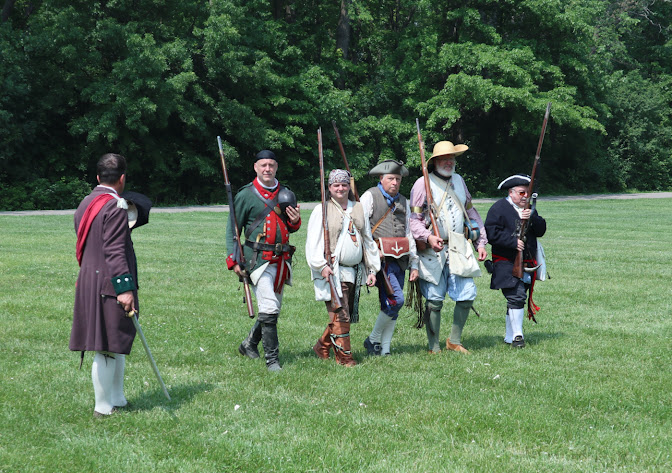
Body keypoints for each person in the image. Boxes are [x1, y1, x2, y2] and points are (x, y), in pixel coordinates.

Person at [70, 153, 147, 417]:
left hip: (90, 279)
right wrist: (124, 289)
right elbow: (115, 251)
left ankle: (117, 398)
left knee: (116, 341)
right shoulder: (115, 207)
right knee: (105, 345)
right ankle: (102, 406)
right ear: (122, 178)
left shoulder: (86, 202)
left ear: (98, 176)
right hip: (109, 283)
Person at [226, 150, 301, 372]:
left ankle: (249, 344)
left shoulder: (286, 192)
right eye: (263, 165)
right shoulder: (245, 195)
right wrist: (234, 260)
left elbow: (291, 226)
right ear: (256, 167)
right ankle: (272, 361)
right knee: (269, 308)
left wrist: (295, 221)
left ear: (276, 167)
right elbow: (233, 230)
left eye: (271, 165)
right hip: (257, 260)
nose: (267, 169)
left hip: (281, 260)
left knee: (272, 309)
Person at [409, 141, 488, 354]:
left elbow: (471, 213)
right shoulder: (422, 183)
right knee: (434, 300)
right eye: (444, 159)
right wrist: (428, 236)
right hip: (432, 251)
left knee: (467, 295)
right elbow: (414, 220)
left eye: (451, 158)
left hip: (459, 247)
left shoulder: (459, 181)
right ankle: (434, 346)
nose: (448, 162)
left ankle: (454, 340)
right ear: (434, 162)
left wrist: (480, 241)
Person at [306, 169, 380, 366]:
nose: (340, 188)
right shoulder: (321, 210)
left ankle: (322, 346)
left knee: (342, 314)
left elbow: (367, 239)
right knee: (341, 315)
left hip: (354, 271)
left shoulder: (359, 208)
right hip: (332, 271)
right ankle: (345, 358)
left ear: (349, 186)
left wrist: (372, 269)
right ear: (329, 188)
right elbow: (313, 242)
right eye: (336, 185)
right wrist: (321, 266)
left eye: (344, 184)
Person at [360, 160, 419, 356]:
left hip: (400, 260)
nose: (395, 183)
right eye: (391, 178)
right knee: (396, 300)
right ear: (381, 178)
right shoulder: (370, 196)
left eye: (398, 179)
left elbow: (409, 233)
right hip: (380, 260)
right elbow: (363, 230)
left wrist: (414, 264)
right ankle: (373, 338)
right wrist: (372, 256)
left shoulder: (403, 201)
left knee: (391, 304)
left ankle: (384, 349)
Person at [484, 174, 547, 348]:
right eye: (521, 193)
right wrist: (512, 242)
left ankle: (509, 336)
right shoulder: (499, 208)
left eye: (528, 193)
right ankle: (518, 336)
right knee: (516, 296)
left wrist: (532, 217)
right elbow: (491, 233)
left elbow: (541, 231)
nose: (525, 196)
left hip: (527, 263)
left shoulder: (529, 209)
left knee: (516, 299)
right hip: (505, 262)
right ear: (511, 193)